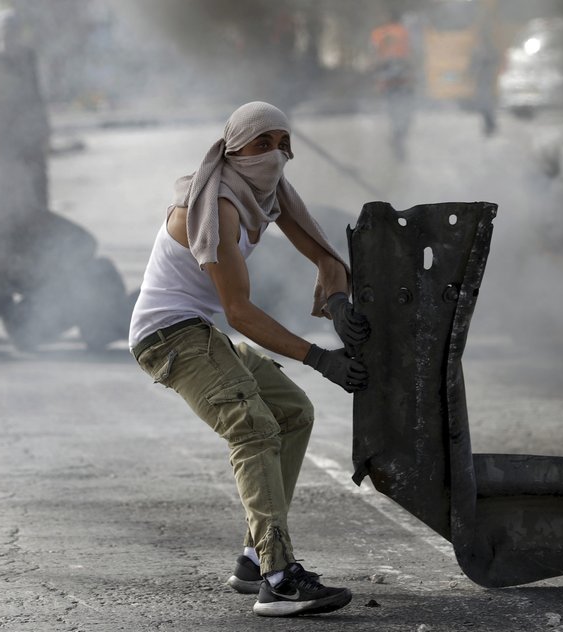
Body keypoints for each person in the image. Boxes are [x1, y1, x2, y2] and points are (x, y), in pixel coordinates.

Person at [128, 102, 369, 617]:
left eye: (283, 143)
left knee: (292, 413)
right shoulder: (216, 206)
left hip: (198, 330)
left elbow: (314, 242)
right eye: (262, 143)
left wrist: (338, 292)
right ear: (234, 148)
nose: (274, 154)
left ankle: (250, 558)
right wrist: (319, 359)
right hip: (167, 336)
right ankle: (278, 579)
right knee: (254, 427)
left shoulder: (264, 189)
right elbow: (239, 311)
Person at [0, 9, 50, 214]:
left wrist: (43, 125)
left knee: (36, 180)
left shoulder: (28, 57)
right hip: (0, 130)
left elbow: (36, 92)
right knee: (2, 182)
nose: (9, 33)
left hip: (28, 129)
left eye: (14, 28)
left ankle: (40, 224)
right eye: (5, 27)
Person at [370, 11, 415, 161]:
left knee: (392, 104)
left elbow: (375, 55)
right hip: (403, 74)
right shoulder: (404, 32)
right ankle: (400, 131)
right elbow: (413, 53)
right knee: (404, 104)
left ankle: (396, 131)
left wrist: (378, 78)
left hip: (386, 74)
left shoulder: (378, 33)